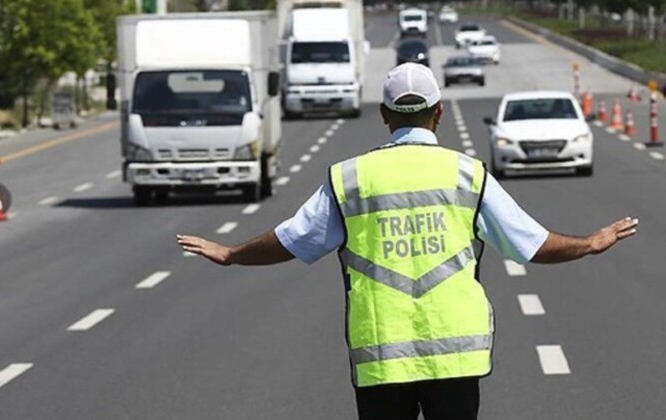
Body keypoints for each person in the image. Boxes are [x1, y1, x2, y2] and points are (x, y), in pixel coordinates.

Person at [177, 63, 638, 420]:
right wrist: (590, 242)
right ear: (438, 113)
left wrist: (231, 254)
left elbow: (293, 240)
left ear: (384, 115)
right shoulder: (467, 174)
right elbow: (531, 245)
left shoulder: (351, 179)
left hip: (382, 356)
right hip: (457, 358)